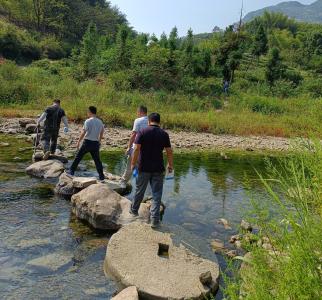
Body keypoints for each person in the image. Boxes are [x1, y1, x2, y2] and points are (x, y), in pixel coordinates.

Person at [130, 113, 174, 228]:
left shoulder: (142, 132)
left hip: (143, 167)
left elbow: (136, 149)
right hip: (158, 168)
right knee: (156, 193)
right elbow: (169, 151)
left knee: (140, 190)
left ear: (149, 121)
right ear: (159, 122)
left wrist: (133, 164)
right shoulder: (164, 134)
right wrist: (170, 164)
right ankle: (155, 220)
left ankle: (134, 211)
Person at [67, 106, 105, 181]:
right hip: (95, 143)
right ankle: (101, 176)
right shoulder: (100, 122)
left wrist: (78, 141)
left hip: (87, 142)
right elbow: (102, 132)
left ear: (90, 112)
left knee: (78, 157)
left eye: (87, 112)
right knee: (97, 160)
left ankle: (71, 172)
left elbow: (84, 132)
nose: (87, 113)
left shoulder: (88, 121)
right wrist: (99, 141)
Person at [119, 105, 148, 188]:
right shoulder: (150, 121)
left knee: (130, 165)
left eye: (137, 112)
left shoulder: (138, 120)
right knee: (142, 168)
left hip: (136, 147)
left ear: (140, 112)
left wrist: (128, 147)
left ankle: (123, 182)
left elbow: (133, 134)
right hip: (146, 149)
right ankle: (141, 185)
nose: (137, 113)